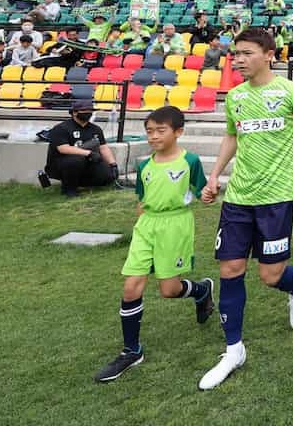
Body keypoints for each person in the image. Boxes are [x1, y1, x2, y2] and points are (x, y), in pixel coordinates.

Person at [196, 28, 293, 390]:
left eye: (246, 53)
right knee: (231, 268)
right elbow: (232, 136)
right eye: (235, 53)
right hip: (238, 199)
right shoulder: (235, 97)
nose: (237, 59)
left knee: (270, 276)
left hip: (276, 199)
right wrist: (214, 176)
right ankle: (233, 349)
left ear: (269, 54)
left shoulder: (291, 92)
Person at [93, 106, 215, 382]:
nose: (153, 136)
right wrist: (142, 223)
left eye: (161, 131)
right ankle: (131, 351)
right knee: (130, 285)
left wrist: (209, 194)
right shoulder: (145, 165)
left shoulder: (190, 161)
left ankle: (201, 290)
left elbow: (203, 192)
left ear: (178, 132)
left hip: (175, 226)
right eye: (149, 131)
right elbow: (142, 198)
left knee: (169, 290)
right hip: (146, 226)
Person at [44, 101, 120, 196]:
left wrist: (113, 164)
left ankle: (80, 184)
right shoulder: (61, 128)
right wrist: (88, 153)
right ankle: (69, 189)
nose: (88, 113)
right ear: (74, 112)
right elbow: (63, 148)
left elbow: (103, 147)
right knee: (76, 160)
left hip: (89, 161)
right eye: (84, 110)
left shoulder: (96, 129)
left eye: (90, 110)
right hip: (62, 163)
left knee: (107, 176)